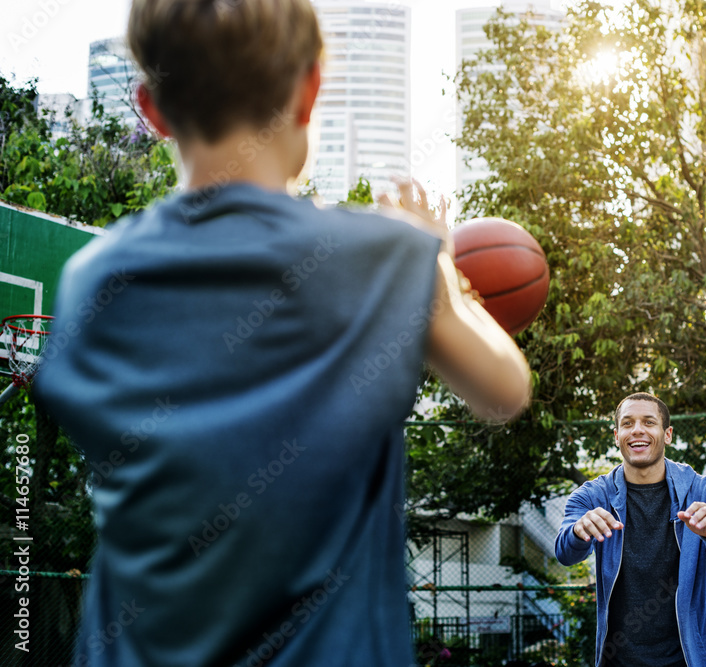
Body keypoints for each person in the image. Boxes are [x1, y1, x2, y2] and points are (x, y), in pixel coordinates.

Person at [33, 1, 530, 665]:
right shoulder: (377, 263)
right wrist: (434, 260)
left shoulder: (89, 282)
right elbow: (505, 389)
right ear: (310, 89)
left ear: (150, 110)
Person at [555, 392, 706, 667]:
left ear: (668, 434)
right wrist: (578, 532)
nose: (637, 430)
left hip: (687, 660)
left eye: (649, 422)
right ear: (616, 436)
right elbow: (564, 553)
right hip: (617, 661)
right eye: (627, 424)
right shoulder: (592, 496)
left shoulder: (705, 493)